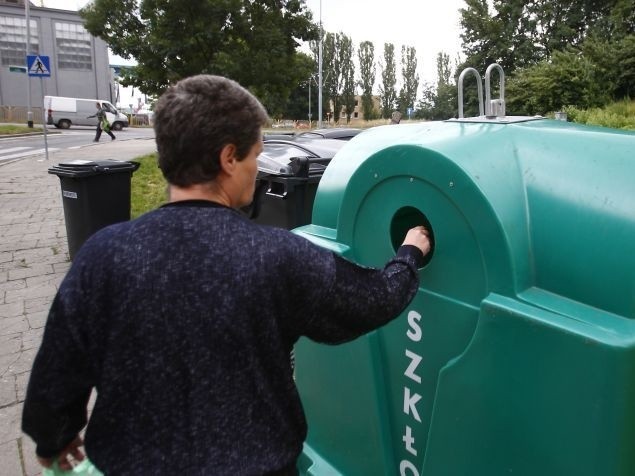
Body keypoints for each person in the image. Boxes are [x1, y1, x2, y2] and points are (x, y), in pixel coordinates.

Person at [22, 75, 431, 475]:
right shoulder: (276, 256)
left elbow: (58, 369)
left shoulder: (102, 254)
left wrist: (53, 438)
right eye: (255, 156)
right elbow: (373, 300)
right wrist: (409, 253)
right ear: (228, 158)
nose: (257, 168)